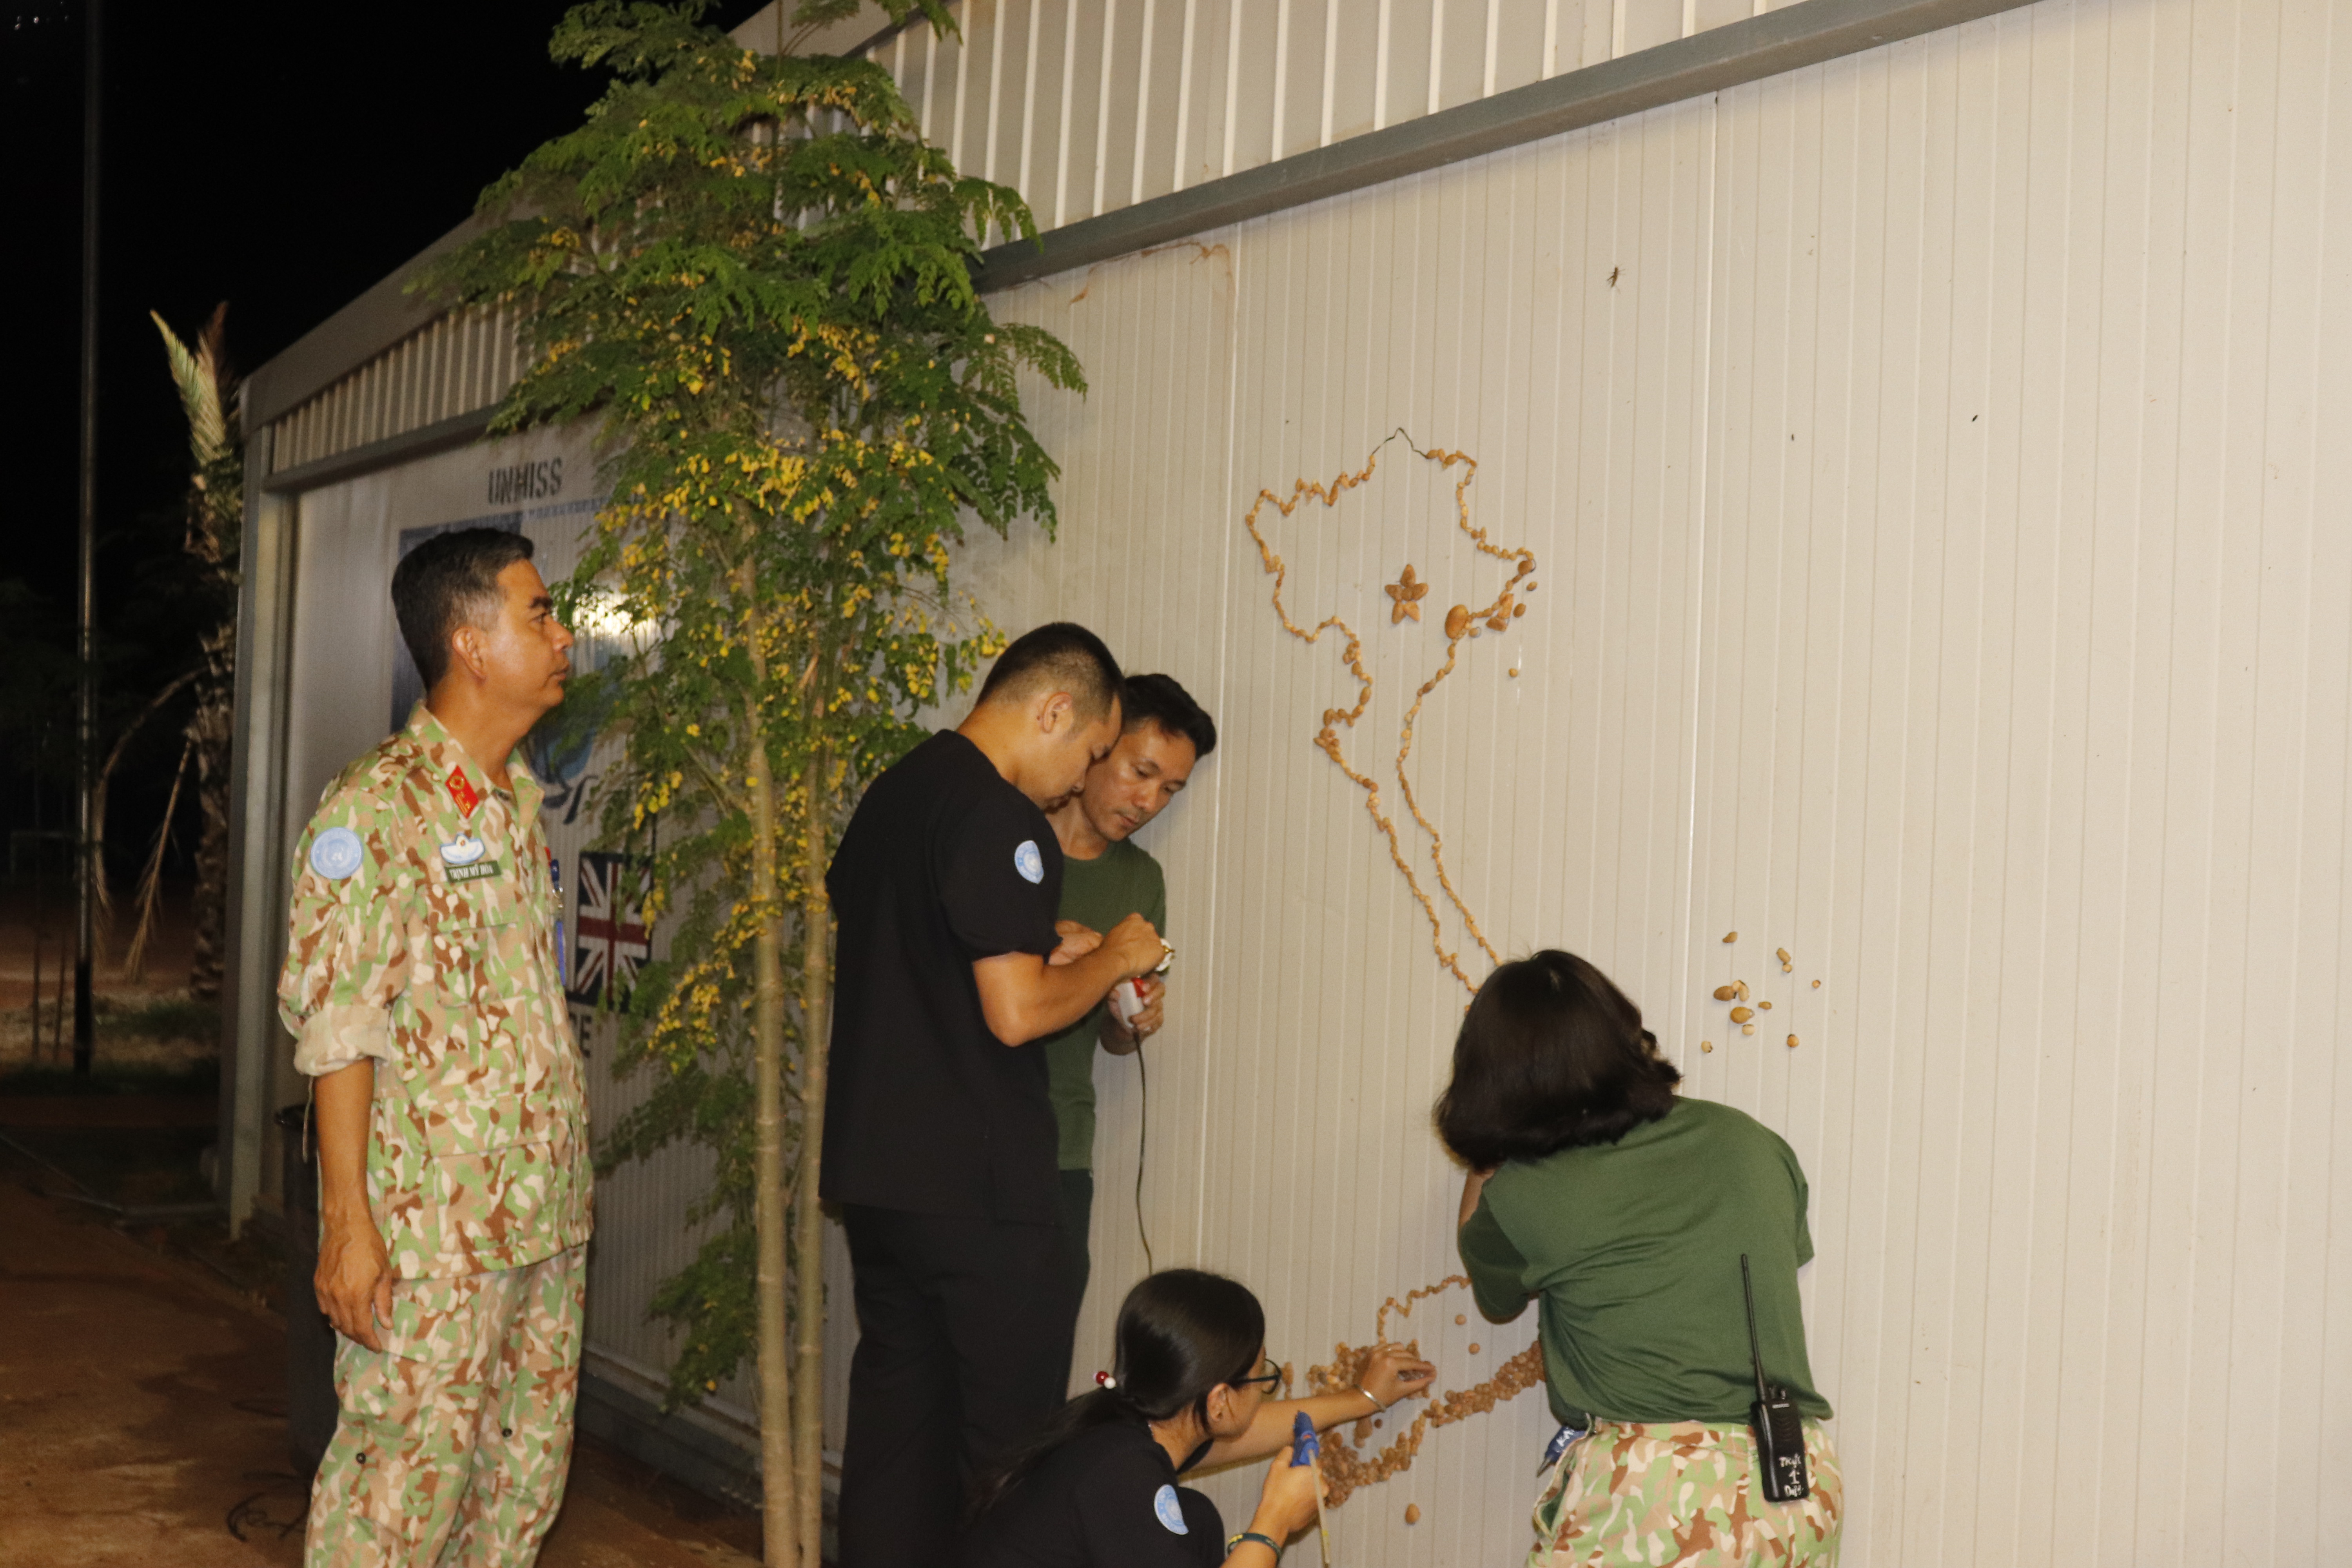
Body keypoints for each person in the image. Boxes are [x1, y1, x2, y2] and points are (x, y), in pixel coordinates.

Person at [822, 622, 1172, 1566]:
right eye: (1093, 752)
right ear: (1054, 710)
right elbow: (1016, 1016)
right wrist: (1111, 956)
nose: (1079, 778)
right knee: (1010, 1460)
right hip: (980, 1190)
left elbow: (921, 945)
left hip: (884, 1181)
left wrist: (1039, 932)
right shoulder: (1003, 817)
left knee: (896, 1446)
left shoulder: (897, 793)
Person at [279, 528, 590, 1567]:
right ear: (470, 643)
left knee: (516, 1493)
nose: (564, 633)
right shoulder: (375, 809)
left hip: (539, 1219)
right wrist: (347, 1227)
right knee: (398, 1501)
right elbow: (339, 1032)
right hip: (432, 1245)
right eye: (539, 612)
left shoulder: (515, 806)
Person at [1438, 951, 1842, 1568]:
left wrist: (1487, 1158)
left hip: (1656, 1495)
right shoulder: (1752, 1141)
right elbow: (1779, 1253)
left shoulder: (1524, 1192)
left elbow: (1494, 1291)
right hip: (1797, 1483)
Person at [965, 1269, 1435, 1567]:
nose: (1267, 1386)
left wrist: (1365, 1397)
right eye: (1261, 1376)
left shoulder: (1120, 1423)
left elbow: (1241, 1434)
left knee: (1197, 1519)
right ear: (1217, 1402)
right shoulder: (1121, 1473)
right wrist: (1274, 1522)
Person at [1037, 673, 1218, 1373]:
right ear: (1097, 744)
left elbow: (1110, 1037)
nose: (1149, 801)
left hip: (1062, 1147)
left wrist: (1129, 1023)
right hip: (963, 1142)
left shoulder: (1142, 882)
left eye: (1170, 789)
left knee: (1039, 1366)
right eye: (1142, 772)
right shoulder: (1006, 841)